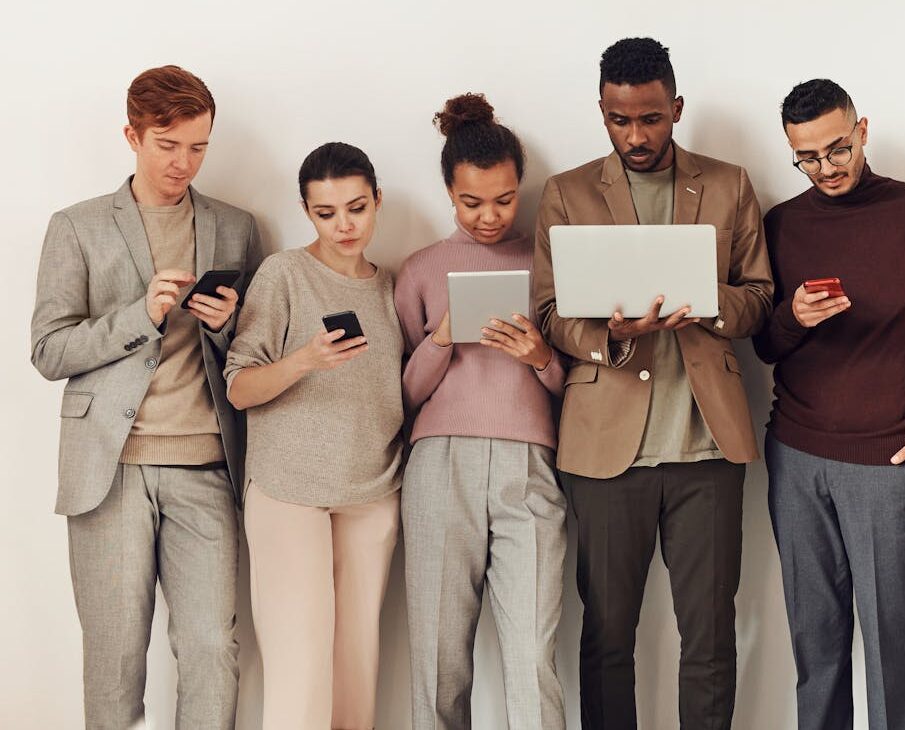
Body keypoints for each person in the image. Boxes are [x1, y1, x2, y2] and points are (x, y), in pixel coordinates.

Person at [533, 37, 773, 730]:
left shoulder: (729, 184)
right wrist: (611, 334)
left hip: (707, 449)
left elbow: (760, 296)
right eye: (619, 120)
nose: (636, 136)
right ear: (602, 113)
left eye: (650, 119)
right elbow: (549, 313)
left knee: (708, 636)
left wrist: (709, 303)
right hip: (606, 452)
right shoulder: (568, 193)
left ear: (676, 108)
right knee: (607, 637)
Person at [30, 64, 259, 729]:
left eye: (198, 146)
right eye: (168, 144)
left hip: (206, 468)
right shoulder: (75, 227)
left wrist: (225, 327)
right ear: (131, 135)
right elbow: (48, 351)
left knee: (213, 647)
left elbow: (254, 349)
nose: (184, 162)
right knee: (115, 659)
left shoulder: (236, 228)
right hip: (110, 470)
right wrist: (141, 315)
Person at [752, 78, 905, 730]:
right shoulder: (783, 223)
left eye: (837, 149)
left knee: (893, 648)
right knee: (814, 647)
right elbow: (763, 343)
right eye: (808, 158)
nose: (826, 168)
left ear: (863, 130)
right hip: (796, 457)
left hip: (891, 457)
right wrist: (792, 316)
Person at [395, 93, 568, 730]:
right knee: (439, 657)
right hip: (441, 466)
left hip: (531, 465)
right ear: (448, 191)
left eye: (503, 199)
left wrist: (539, 354)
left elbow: (572, 385)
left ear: (520, 186)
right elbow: (406, 395)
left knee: (533, 652)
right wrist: (442, 339)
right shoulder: (420, 270)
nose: (489, 216)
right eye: (472, 202)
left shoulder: (546, 264)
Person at [224, 142, 403, 730]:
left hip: (371, 491)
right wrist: (304, 360)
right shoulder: (284, 274)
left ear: (378, 200)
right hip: (288, 492)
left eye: (356, 207)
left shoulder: (392, 288)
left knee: (357, 667)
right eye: (326, 213)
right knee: (300, 668)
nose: (344, 225)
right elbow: (239, 387)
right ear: (306, 211)